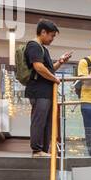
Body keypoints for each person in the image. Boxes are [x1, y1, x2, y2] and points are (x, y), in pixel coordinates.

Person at [24, 18, 71, 158]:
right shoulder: (34, 45)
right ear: (43, 32)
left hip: (45, 91)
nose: (52, 39)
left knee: (46, 121)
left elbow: (49, 70)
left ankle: (43, 150)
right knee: (39, 120)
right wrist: (55, 79)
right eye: (51, 35)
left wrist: (60, 62)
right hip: (39, 91)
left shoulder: (43, 49)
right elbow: (38, 67)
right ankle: (37, 150)